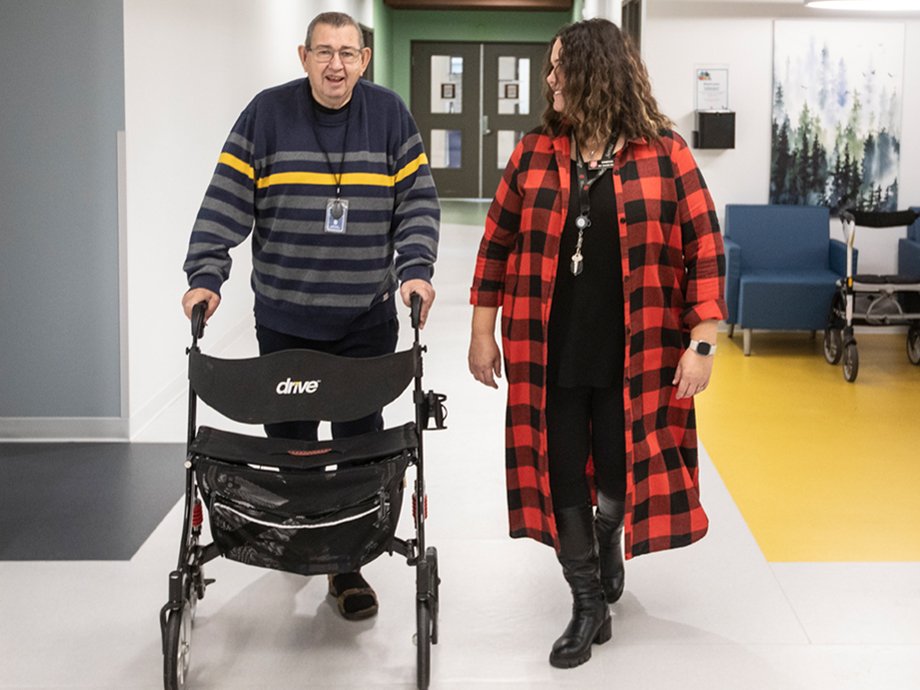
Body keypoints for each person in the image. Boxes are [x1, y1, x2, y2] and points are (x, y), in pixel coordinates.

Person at [468, 18, 726, 669]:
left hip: (635, 356)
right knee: (561, 476)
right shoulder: (533, 152)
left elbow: (705, 245)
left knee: (617, 474)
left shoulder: (664, 152)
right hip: (547, 351)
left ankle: (608, 537)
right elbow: (495, 242)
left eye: (559, 68)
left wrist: (702, 341)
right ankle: (586, 601)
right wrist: (480, 332)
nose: (549, 79)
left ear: (593, 73)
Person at [182, 11, 439, 621]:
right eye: (324, 52)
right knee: (292, 447)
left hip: (364, 318)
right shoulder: (267, 114)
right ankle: (300, 540)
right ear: (303, 57)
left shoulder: (389, 116)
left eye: (348, 53)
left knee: (356, 448)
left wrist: (417, 267)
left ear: (364, 59)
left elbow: (416, 201)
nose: (336, 65)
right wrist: (205, 275)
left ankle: (345, 566)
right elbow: (225, 197)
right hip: (285, 316)